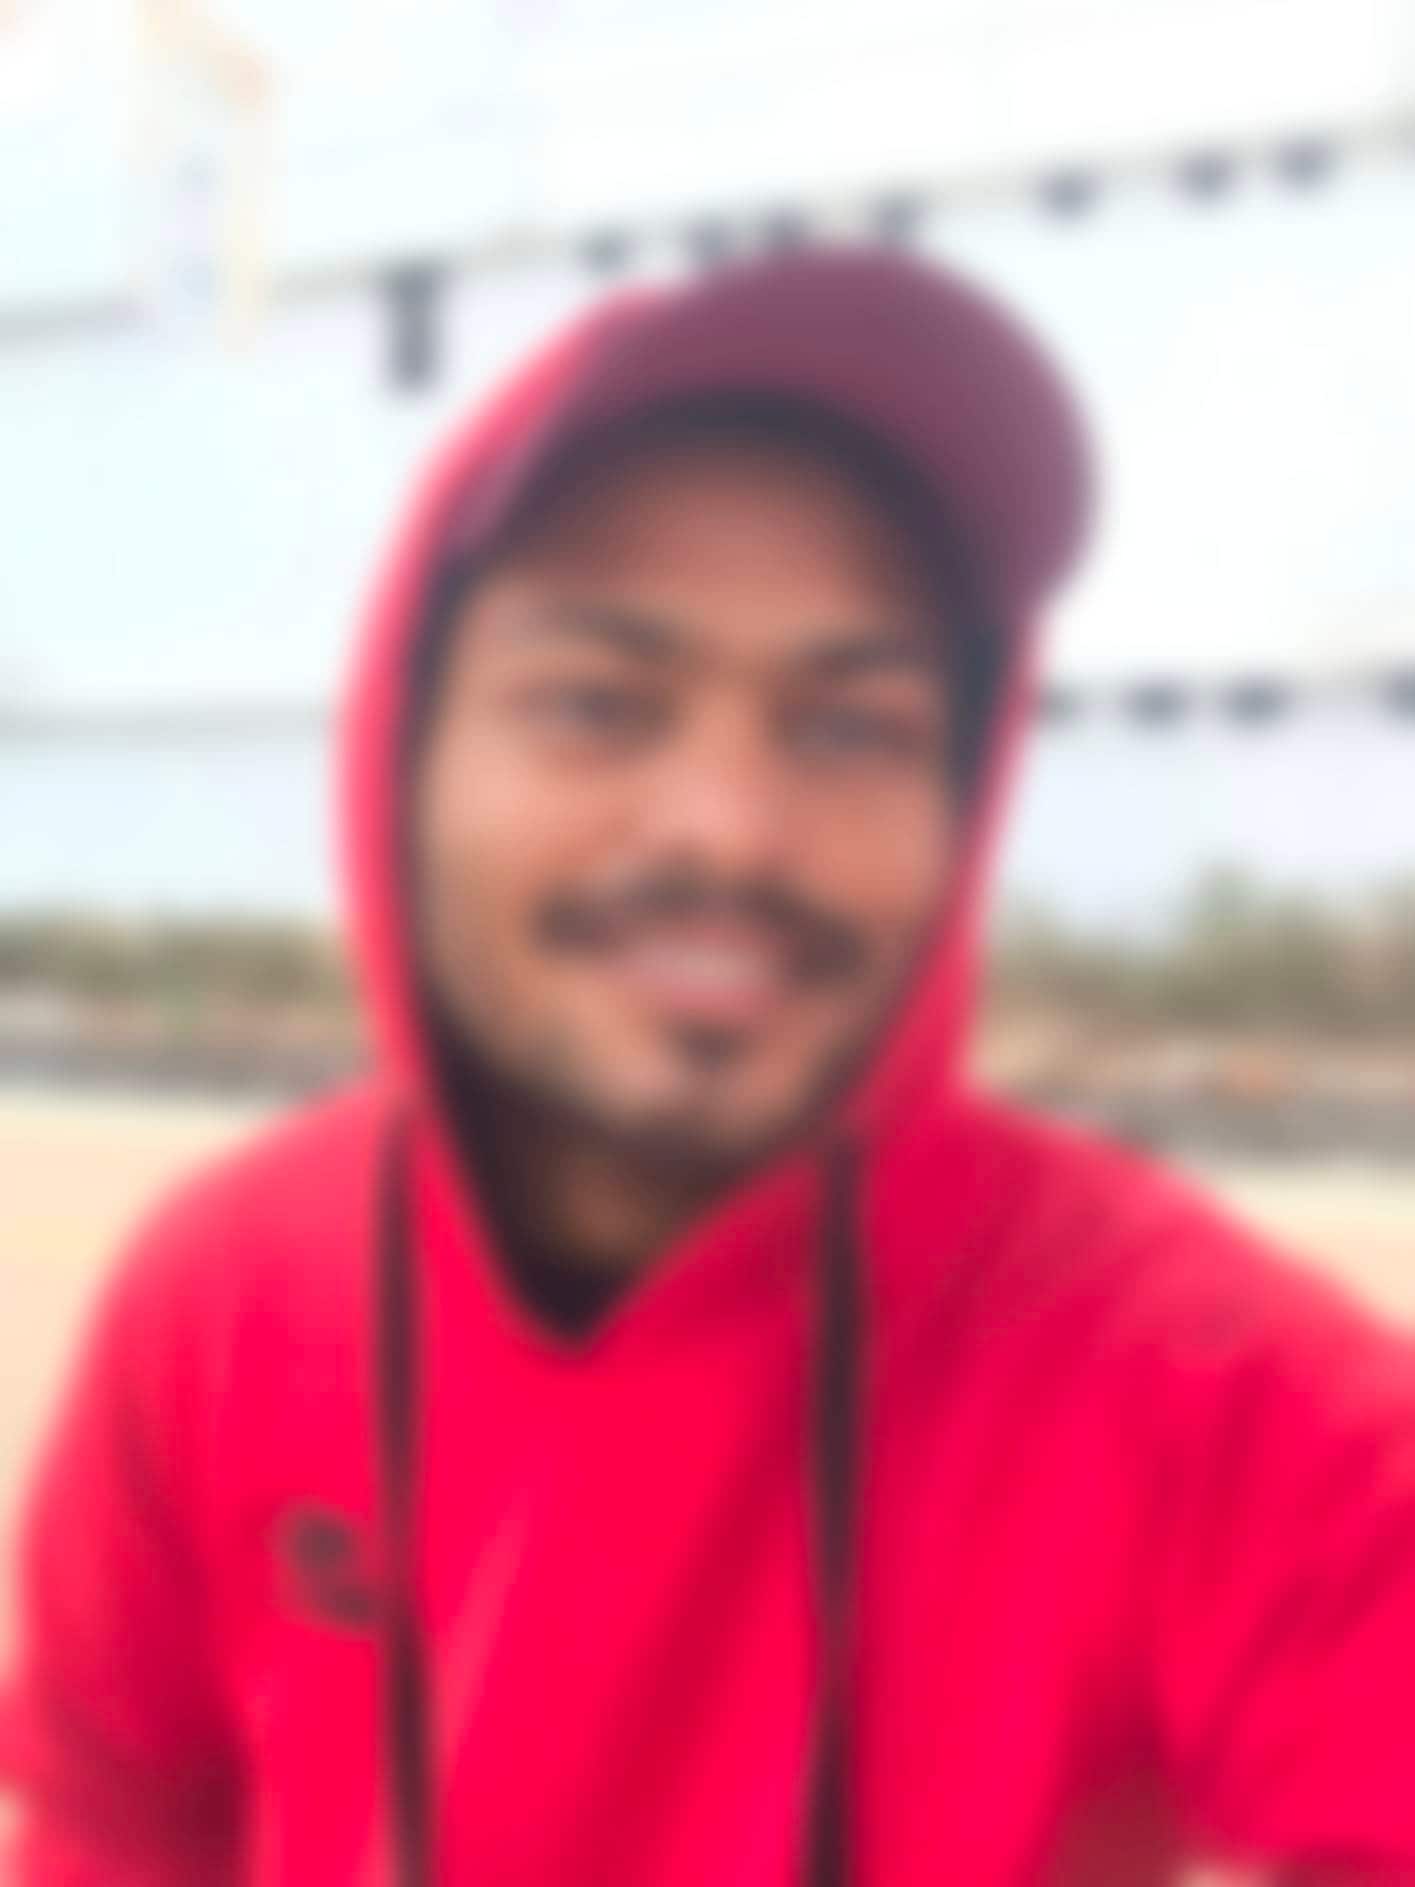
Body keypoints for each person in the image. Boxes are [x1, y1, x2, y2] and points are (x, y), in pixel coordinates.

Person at [3, 248, 1413, 1885]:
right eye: (600, 702)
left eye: (851, 726)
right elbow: (111, 1818)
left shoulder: (1200, 1383)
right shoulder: (228, 1295)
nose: (731, 831)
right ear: (406, 745)